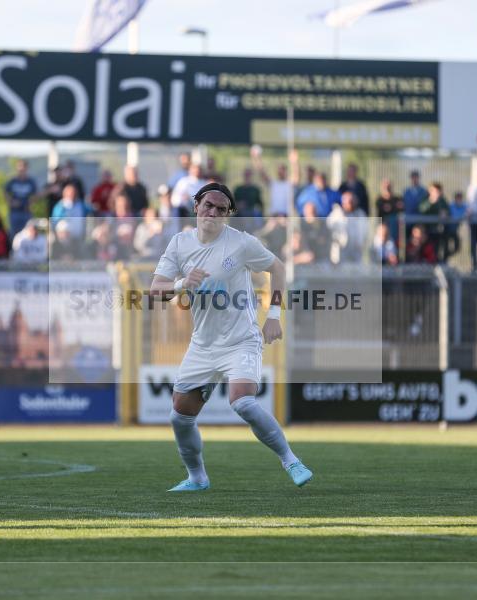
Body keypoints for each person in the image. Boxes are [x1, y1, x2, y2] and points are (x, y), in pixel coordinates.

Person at [150, 182, 312, 491]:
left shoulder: (241, 243)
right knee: (179, 418)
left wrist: (274, 316)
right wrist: (183, 283)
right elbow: (155, 292)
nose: (212, 211)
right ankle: (197, 479)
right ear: (196, 206)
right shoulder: (179, 244)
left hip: (241, 340)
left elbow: (278, 268)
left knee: (244, 403)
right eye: (208, 204)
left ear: (228, 215)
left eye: (221, 209)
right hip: (203, 344)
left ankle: (291, 460)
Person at [326, 190, 368, 263]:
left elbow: (365, 232)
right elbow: (329, 230)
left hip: (356, 251)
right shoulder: (336, 214)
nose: (350, 204)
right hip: (340, 251)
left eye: (352, 201)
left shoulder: (361, 214)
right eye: (348, 202)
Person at [4, 159, 37, 235]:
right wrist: (11, 202)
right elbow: (5, 192)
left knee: (27, 234)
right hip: (14, 212)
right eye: (20, 166)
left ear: (27, 168)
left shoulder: (31, 182)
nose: (21, 169)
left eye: (23, 166)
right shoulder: (12, 181)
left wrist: (30, 203)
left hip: (26, 212)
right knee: (14, 234)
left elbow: (34, 195)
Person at [419, 182, 449, 262]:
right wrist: (431, 201)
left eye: (438, 191)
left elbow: (447, 211)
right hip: (427, 229)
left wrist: (445, 213)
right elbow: (421, 209)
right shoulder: (426, 199)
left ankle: (440, 262)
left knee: (440, 247)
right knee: (428, 247)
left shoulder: (442, 201)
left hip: (439, 230)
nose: (436, 193)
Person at [375, 179, 404, 244]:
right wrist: (394, 207)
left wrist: (391, 207)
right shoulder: (379, 200)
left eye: (389, 187)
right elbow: (385, 208)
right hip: (383, 226)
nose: (387, 189)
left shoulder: (397, 198)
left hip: (395, 227)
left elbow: (401, 208)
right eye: (385, 187)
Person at [402, 169, 427, 236]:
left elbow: (424, 206)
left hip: (420, 221)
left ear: (418, 178)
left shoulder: (424, 191)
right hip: (408, 221)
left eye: (416, 177)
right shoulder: (406, 191)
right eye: (413, 177)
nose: (414, 179)